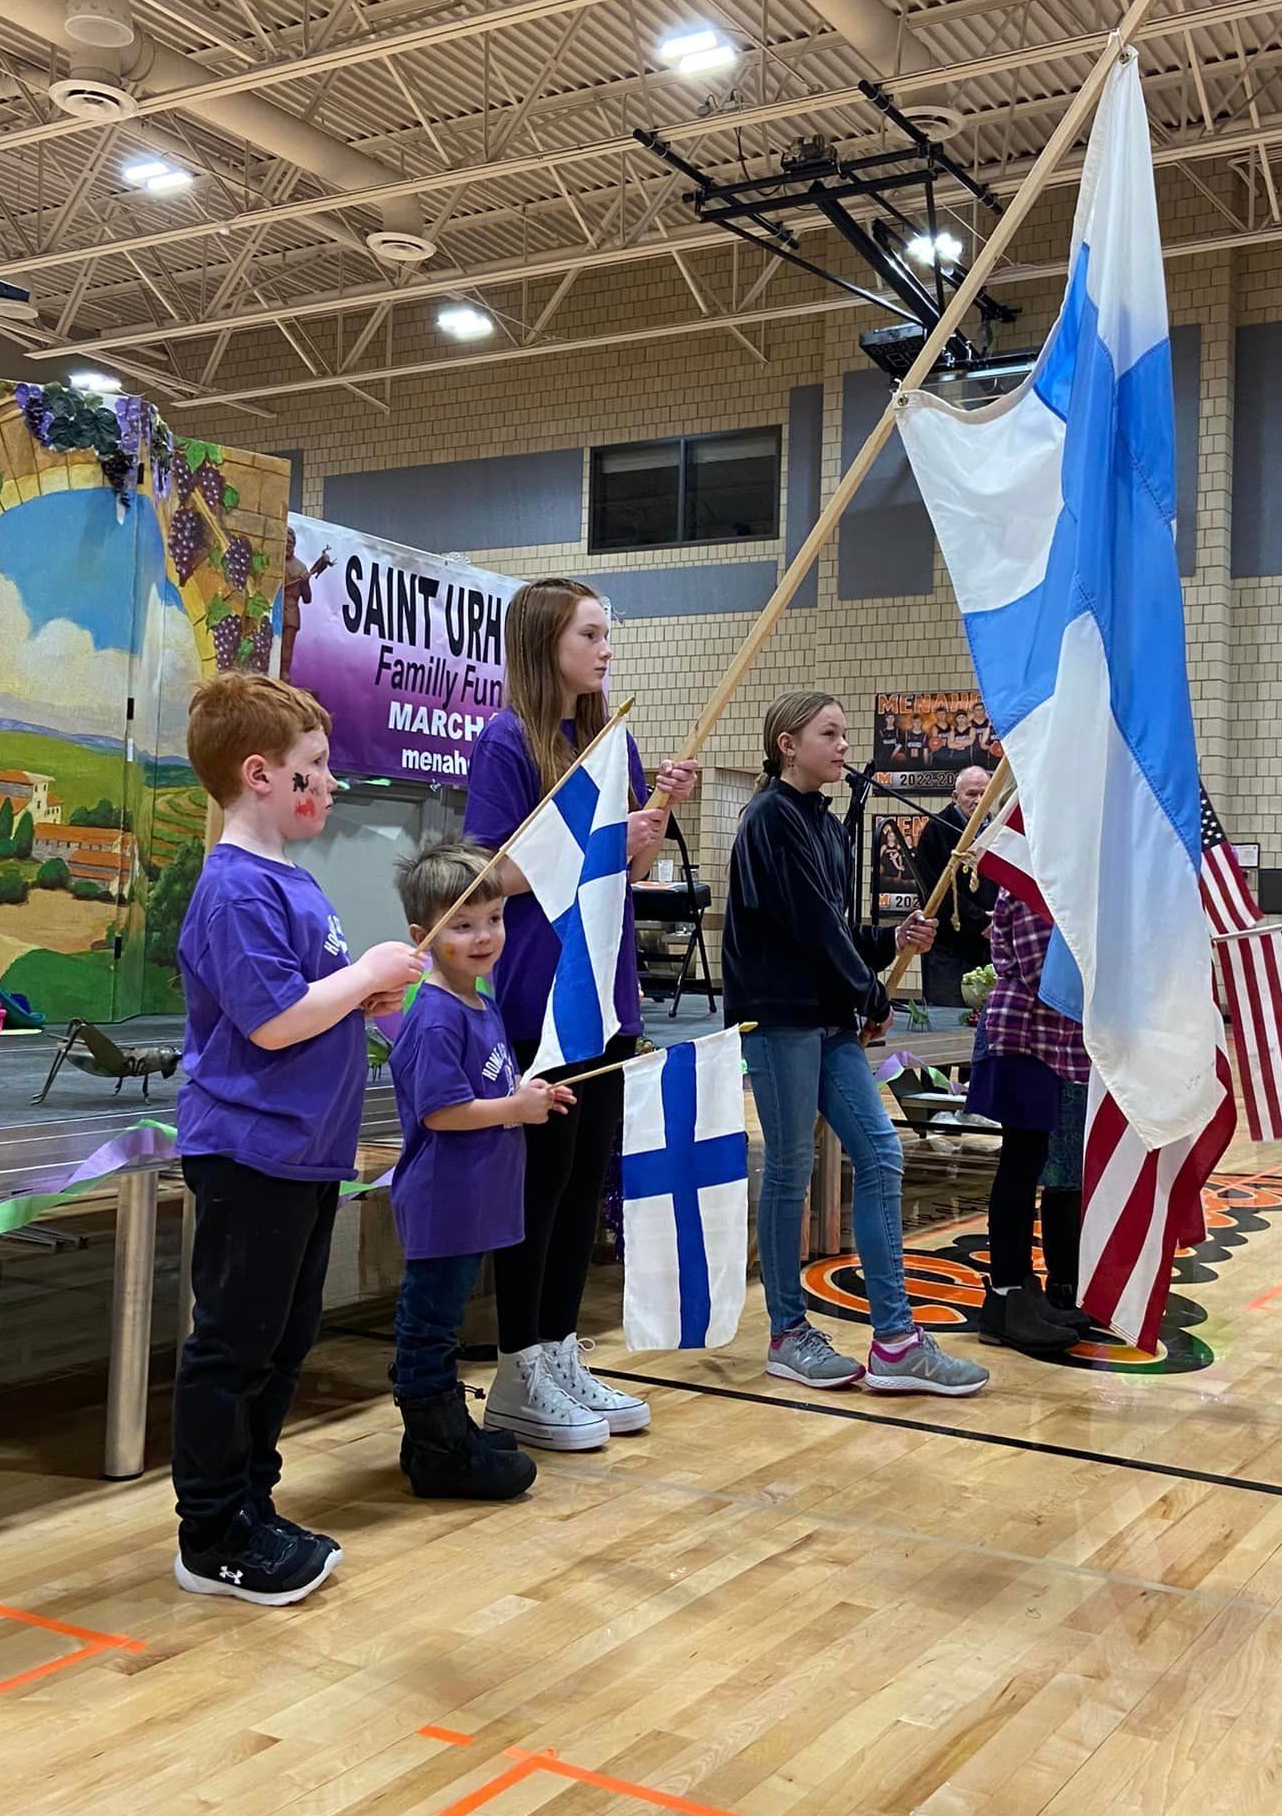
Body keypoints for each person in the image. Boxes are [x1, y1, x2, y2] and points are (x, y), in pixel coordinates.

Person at [172, 672, 427, 1605]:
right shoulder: (237, 890)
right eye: (313, 767)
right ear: (260, 776)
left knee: (282, 1341)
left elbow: (312, 1010)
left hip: (303, 1151)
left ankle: (252, 1504)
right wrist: (361, 975)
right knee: (235, 1342)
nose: (328, 784)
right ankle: (209, 1534)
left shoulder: (292, 880)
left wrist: (366, 995)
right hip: (251, 1151)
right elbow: (276, 1022)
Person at [464, 577, 698, 1449]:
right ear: (545, 642)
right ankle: (518, 1364)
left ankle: (558, 1349)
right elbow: (484, 878)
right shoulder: (504, 742)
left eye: (609, 632)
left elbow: (627, 879)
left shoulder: (609, 740)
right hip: (539, 995)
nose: (607, 648)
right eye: (591, 633)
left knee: (580, 1192)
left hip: (607, 994)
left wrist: (655, 819)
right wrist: (603, 842)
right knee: (541, 1188)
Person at [723, 690, 990, 1397]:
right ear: (787, 742)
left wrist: (886, 943)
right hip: (780, 1019)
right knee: (789, 1167)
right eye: (830, 734)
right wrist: (869, 992)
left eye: (844, 735)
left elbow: (836, 932)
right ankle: (787, 1331)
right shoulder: (769, 820)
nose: (844, 746)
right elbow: (807, 928)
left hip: (828, 1017)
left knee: (878, 1153)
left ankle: (897, 1342)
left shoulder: (824, 824)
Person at [386, 842, 576, 1502]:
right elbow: (443, 1113)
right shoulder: (435, 1016)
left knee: (443, 1314)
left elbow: (490, 1086)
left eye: (493, 919)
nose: (484, 936)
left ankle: (438, 1435)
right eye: (463, 925)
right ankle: (438, 1446)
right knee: (429, 1321)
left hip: (475, 1199)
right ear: (423, 936)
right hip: (446, 1198)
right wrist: (514, 1108)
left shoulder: (480, 1001)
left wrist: (532, 1097)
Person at [968, 886, 1094, 1356]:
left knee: (1031, 1160)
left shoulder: (1055, 880)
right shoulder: (1028, 882)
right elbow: (1046, 969)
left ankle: (1022, 1287)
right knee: (1020, 1167)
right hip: (1022, 1036)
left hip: (1049, 1042)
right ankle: (1004, 1296)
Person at [912, 764, 997, 1007]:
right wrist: (981, 919)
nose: (978, 800)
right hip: (948, 949)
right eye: (971, 794)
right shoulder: (936, 831)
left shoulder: (998, 831)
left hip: (991, 946)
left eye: (984, 793)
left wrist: (998, 919)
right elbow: (936, 892)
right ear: (955, 796)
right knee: (948, 1018)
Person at [279, 528, 333, 682]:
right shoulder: (275, 562)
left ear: (294, 545)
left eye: (290, 543)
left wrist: (305, 582)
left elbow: (307, 599)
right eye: (285, 542)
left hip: (291, 610)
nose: (288, 545)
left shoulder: (300, 567)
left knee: (287, 647)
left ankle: (284, 673)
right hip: (274, 608)